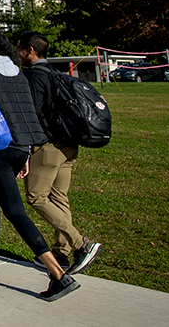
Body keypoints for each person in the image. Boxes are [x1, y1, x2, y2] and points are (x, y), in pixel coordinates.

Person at [0, 27, 78, 301]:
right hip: (21, 146)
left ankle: (58, 275)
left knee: (15, 210)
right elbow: (26, 113)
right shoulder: (16, 70)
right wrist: (27, 154)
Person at [17, 31, 102, 274]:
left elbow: (32, 116)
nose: (17, 53)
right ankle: (61, 253)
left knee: (36, 196)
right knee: (58, 198)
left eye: (20, 48)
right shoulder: (56, 73)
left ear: (30, 51)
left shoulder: (33, 77)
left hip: (48, 145)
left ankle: (81, 244)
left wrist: (25, 150)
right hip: (69, 144)